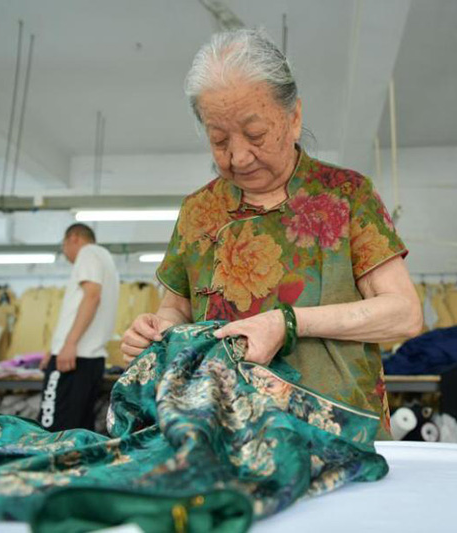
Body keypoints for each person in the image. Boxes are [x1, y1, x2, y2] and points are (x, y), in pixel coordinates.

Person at [121, 29, 422, 437]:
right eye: (219, 140)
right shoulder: (198, 212)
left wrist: (289, 323)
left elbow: (403, 314)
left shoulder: (346, 195)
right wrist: (154, 332)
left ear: (294, 118)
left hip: (339, 434)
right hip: (226, 436)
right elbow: (176, 311)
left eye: (256, 134)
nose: (239, 157)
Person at [39, 223, 120, 432]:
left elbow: (92, 296)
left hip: (72, 360)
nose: (64, 252)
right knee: (77, 429)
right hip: (89, 359)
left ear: (73, 238)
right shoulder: (105, 258)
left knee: (52, 431)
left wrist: (69, 343)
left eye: (63, 245)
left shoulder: (88, 252)